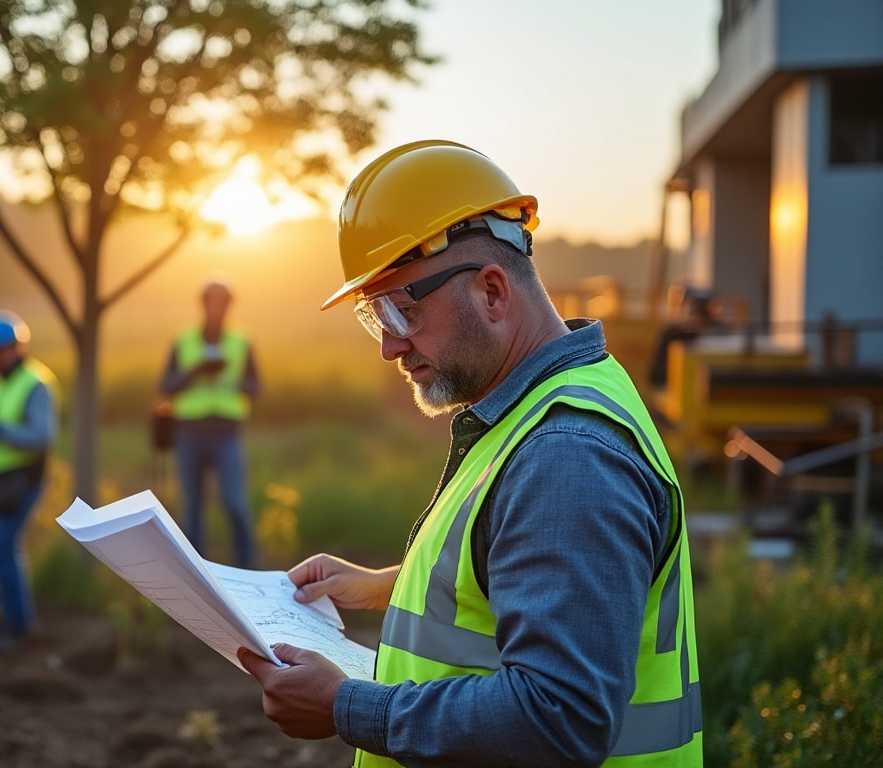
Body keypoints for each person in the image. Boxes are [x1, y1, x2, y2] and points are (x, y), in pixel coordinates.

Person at [236, 140, 703, 766]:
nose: (389, 349)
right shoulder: (541, 412)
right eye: (376, 319)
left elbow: (558, 716)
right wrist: (386, 588)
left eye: (401, 312)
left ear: (491, 291)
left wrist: (346, 707)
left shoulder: (567, 453)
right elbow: (526, 573)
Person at [0, 310, 58, 651]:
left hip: (23, 481)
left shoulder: (36, 384)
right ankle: (13, 618)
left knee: (0, 550)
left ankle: (18, 627)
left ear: (16, 348)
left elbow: (41, 436)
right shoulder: (5, 383)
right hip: (2, 481)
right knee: (3, 552)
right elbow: (1, 421)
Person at [158, 278, 261, 568]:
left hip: (227, 432)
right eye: (212, 301)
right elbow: (165, 384)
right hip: (189, 432)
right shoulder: (183, 341)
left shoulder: (241, 342)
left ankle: (248, 570)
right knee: (191, 509)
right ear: (202, 304)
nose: (217, 307)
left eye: (223, 302)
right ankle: (198, 575)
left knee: (235, 504)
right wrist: (196, 371)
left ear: (230, 305)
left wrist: (236, 382)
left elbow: (256, 387)